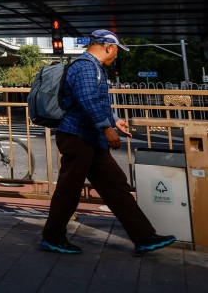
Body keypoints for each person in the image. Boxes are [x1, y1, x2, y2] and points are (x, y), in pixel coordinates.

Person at [40, 29, 175, 256]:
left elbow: (96, 100)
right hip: (77, 136)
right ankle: (52, 238)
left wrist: (115, 120)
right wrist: (106, 128)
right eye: (116, 51)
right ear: (108, 47)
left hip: (89, 138)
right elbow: (87, 100)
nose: (116, 57)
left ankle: (143, 237)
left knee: (116, 186)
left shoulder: (93, 68)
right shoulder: (85, 66)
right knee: (69, 189)